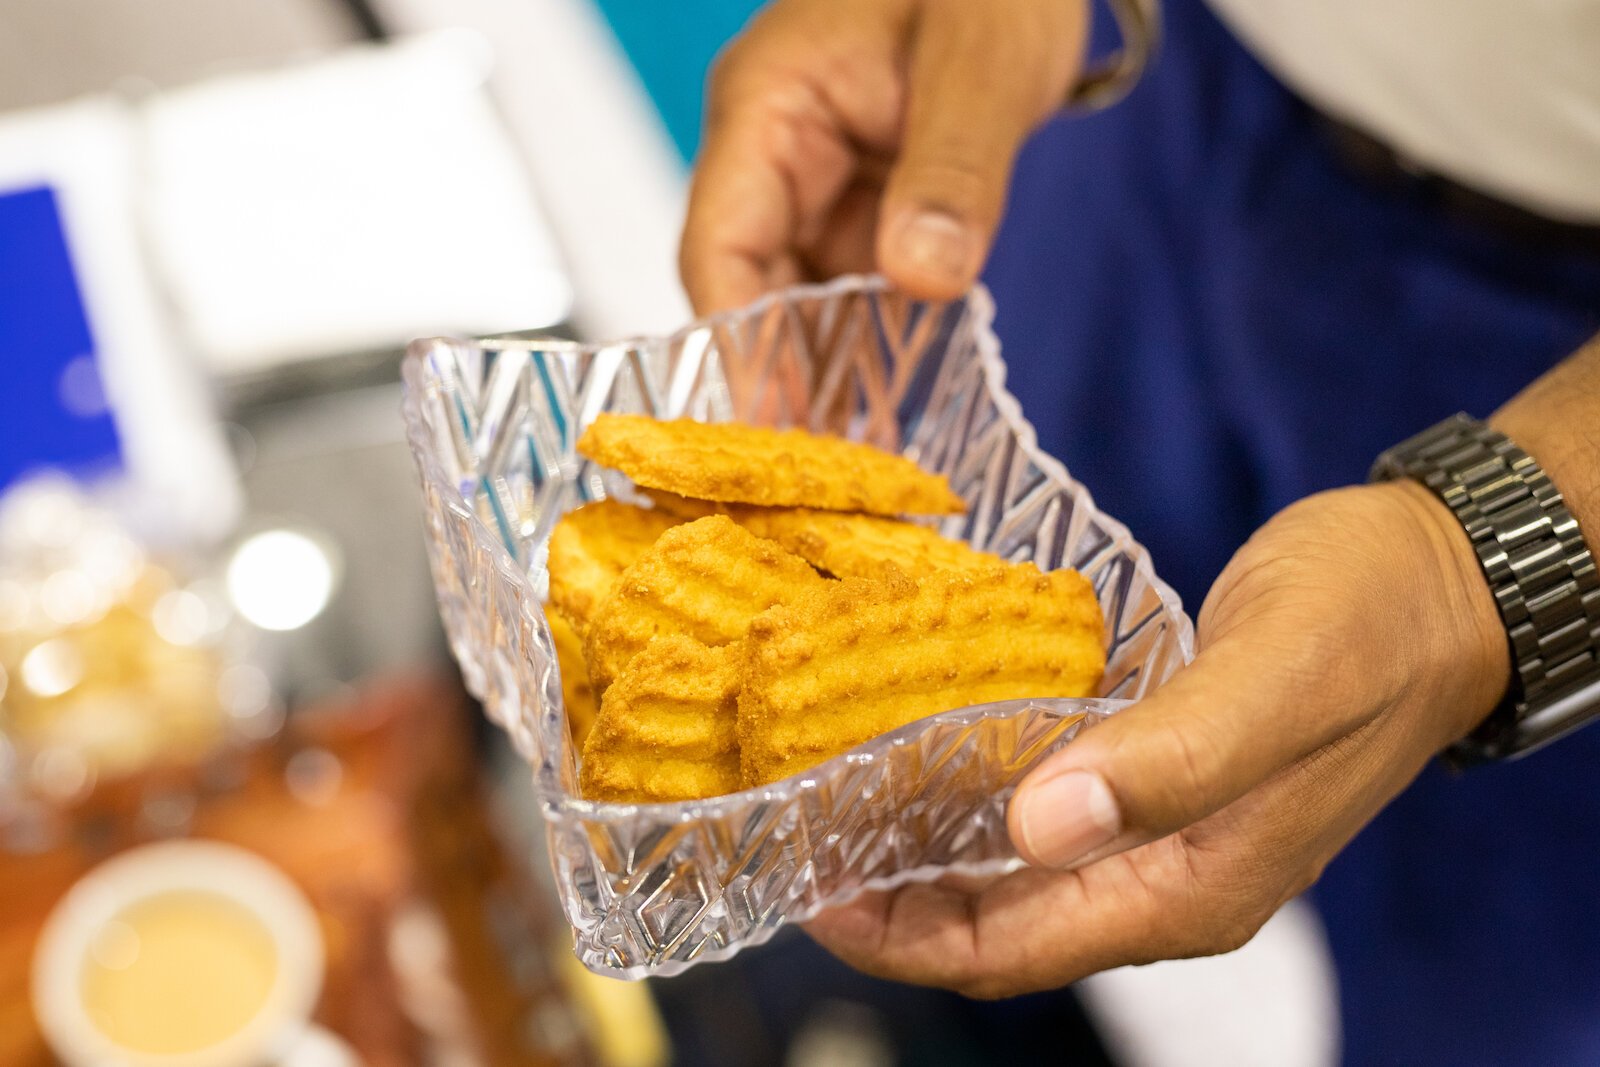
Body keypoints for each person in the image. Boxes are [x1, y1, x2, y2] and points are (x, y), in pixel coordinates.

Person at [676, 1, 1600, 1063]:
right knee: (943, 759)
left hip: (1558, 362)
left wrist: (1479, 563)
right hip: (1165, 80)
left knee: (1479, 1005)